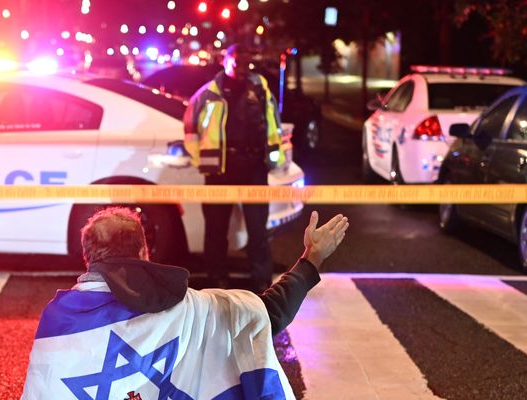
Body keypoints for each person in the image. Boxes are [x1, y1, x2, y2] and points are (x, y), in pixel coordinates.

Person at [21, 207, 348, 399]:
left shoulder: (58, 320)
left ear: (87, 259)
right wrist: (311, 258)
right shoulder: (188, 308)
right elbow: (267, 313)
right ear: (143, 253)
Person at [183, 44, 287, 292]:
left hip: (253, 168)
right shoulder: (208, 94)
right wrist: (203, 160)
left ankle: (261, 280)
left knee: (258, 229)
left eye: (246, 63)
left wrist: (273, 160)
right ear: (225, 61)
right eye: (237, 62)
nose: (242, 68)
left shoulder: (260, 89)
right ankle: (216, 278)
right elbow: (190, 130)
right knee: (216, 229)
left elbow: (274, 125)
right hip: (220, 171)